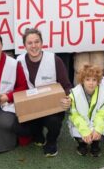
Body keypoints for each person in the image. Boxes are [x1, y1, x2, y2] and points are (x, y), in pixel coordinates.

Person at [17, 28, 73, 157]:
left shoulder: (54, 59)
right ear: (24, 45)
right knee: (18, 127)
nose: (34, 46)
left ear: (42, 43)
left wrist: (66, 98)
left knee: (53, 121)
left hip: (52, 107)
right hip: (31, 107)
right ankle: (37, 132)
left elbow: (67, 86)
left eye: (37, 42)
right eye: (29, 43)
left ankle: (51, 140)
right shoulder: (18, 61)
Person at [67, 64, 104, 157]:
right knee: (78, 132)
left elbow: (102, 113)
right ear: (82, 80)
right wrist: (84, 131)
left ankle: (95, 145)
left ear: (98, 81)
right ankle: (82, 145)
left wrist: (97, 129)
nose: (91, 83)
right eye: (87, 79)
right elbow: (75, 116)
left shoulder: (103, 92)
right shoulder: (75, 93)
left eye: (94, 80)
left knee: (101, 130)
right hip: (81, 123)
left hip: (95, 122)